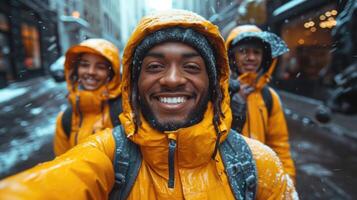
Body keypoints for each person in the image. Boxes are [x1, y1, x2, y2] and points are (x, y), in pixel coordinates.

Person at [0, 10, 298, 199]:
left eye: (192, 67)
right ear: (134, 82)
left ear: (214, 84)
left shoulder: (258, 164)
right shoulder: (107, 153)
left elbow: (281, 147)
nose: (171, 79)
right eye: (155, 66)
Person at [226, 25, 296, 181]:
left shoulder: (269, 96)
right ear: (232, 56)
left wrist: (287, 181)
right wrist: (235, 104)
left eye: (256, 52)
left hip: (262, 180)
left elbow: (279, 144)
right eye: (243, 51)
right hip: (227, 180)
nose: (251, 57)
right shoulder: (219, 92)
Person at [53, 38, 122, 156]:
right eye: (85, 65)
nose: (91, 72)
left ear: (111, 74)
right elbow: (60, 164)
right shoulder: (65, 119)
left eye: (100, 67)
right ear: (76, 70)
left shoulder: (125, 112)